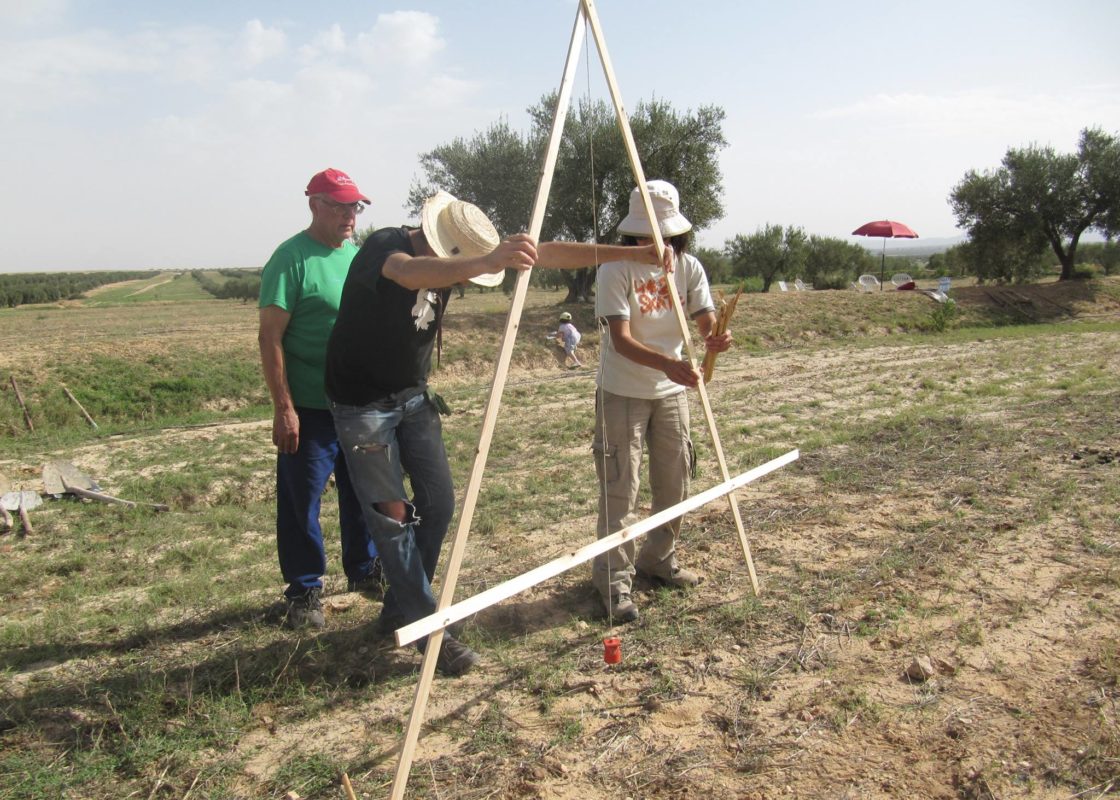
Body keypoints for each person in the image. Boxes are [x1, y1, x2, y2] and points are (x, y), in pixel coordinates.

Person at [325, 190, 670, 676]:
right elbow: (406, 273)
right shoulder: (386, 244)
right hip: (362, 407)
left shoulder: (453, 260)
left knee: (440, 503)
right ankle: (431, 632)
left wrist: (635, 253)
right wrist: (483, 260)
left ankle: (404, 605)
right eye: (460, 260)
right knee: (393, 518)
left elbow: (546, 252)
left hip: (412, 396)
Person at [591, 180, 732, 623]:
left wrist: (714, 333)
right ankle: (612, 580)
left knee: (675, 483)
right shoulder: (615, 270)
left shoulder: (688, 266)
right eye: (647, 234)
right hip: (623, 392)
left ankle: (659, 559)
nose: (657, 242)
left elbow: (703, 314)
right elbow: (622, 339)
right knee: (621, 489)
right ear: (633, 234)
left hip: (673, 392)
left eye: (664, 234)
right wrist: (667, 364)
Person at [258, 168, 382, 630]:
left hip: (356, 403)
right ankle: (305, 590)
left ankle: (365, 570)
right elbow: (270, 338)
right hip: (309, 409)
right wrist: (283, 407)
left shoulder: (357, 256)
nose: (350, 215)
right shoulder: (290, 260)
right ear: (314, 205)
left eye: (355, 207)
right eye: (340, 206)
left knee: (363, 491)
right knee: (301, 501)